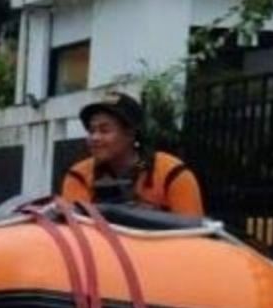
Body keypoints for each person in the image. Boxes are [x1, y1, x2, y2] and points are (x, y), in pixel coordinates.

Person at [60, 91, 204, 217]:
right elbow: (75, 231)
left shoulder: (171, 173)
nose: (95, 138)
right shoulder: (79, 175)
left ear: (130, 133)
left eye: (104, 130)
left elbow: (194, 234)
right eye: (91, 131)